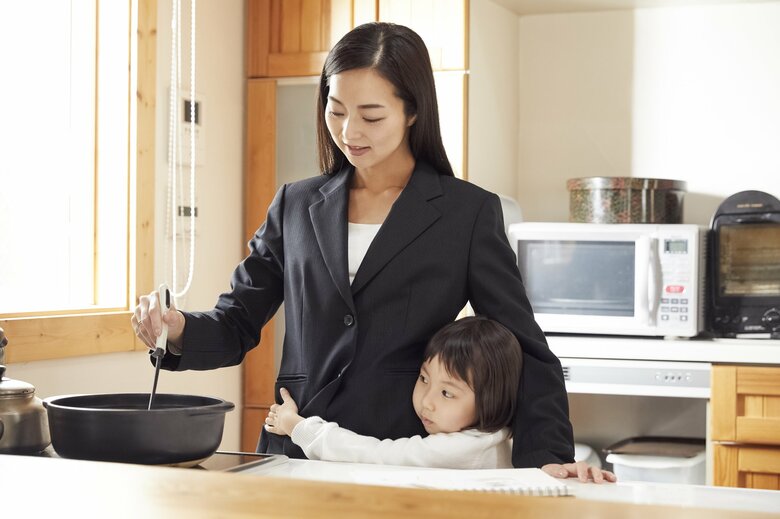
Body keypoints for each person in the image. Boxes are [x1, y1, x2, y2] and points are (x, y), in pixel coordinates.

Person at [131, 21, 602, 480]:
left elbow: (522, 344)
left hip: (398, 455)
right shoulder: (295, 204)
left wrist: (548, 460)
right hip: (294, 453)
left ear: (412, 111)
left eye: (371, 116)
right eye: (335, 111)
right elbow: (236, 322)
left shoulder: (467, 213)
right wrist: (177, 328)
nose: (349, 130)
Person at [266, 316, 522, 469]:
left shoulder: (464, 450)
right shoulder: (503, 438)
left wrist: (296, 426)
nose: (426, 401)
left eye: (447, 393)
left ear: (491, 400)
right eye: (423, 378)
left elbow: (374, 455)